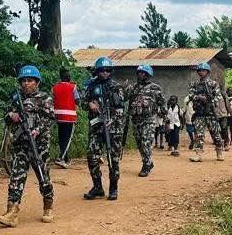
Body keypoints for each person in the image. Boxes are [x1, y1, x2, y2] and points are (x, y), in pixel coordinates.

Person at [0, 66, 55, 227]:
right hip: (20, 144)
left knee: (43, 176)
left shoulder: (45, 98)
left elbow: (48, 118)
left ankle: (48, 206)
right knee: (16, 176)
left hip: (39, 145)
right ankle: (12, 211)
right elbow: (6, 116)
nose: (26, 83)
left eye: (30, 80)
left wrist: (37, 130)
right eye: (23, 81)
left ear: (37, 82)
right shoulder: (16, 98)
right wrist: (11, 115)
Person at [82, 56, 125, 200]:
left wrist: (112, 120)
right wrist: (89, 104)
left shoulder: (116, 87)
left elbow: (120, 108)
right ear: (97, 71)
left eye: (107, 70)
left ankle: (113, 187)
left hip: (113, 129)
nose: (105, 73)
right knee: (92, 157)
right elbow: (82, 102)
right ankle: (97, 187)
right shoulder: (90, 85)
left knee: (113, 159)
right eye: (102, 70)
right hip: (96, 127)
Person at [126, 64, 166, 177]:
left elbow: (162, 102)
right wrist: (125, 89)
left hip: (148, 119)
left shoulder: (155, 88)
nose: (140, 75)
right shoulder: (133, 88)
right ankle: (148, 161)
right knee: (139, 143)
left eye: (143, 73)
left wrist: (165, 117)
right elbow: (124, 98)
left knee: (146, 142)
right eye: (139, 73)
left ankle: (146, 165)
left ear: (148, 74)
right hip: (135, 120)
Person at [188, 62, 226, 162]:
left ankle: (219, 152)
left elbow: (218, 97)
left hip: (211, 113)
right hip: (199, 113)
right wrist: (199, 97)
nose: (201, 72)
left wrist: (210, 102)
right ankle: (198, 154)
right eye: (199, 71)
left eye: (203, 70)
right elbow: (191, 95)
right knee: (199, 135)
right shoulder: (195, 84)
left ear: (207, 72)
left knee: (216, 134)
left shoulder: (213, 84)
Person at [52, 67, 79, 168]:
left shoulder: (54, 87)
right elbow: (77, 100)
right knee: (67, 138)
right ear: (69, 77)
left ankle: (66, 158)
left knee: (61, 137)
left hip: (58, 116)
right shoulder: (73, 87)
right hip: (69, 116)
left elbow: (52, 100)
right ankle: (61, 158)